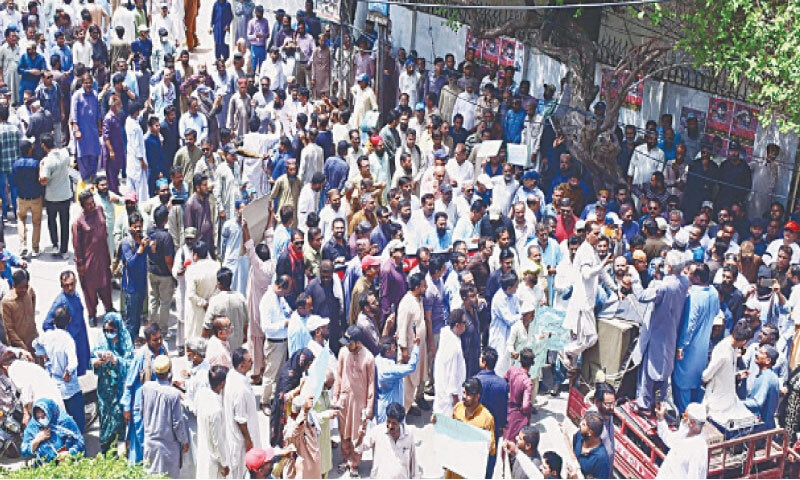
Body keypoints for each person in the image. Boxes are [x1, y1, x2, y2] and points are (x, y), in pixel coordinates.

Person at [631, 250, 689, 414]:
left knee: (649, 369)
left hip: (656, 332)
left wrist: (634, 276)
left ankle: (644, 404)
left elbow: (641, 296)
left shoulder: (663, 287)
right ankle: (660, 402)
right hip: (671, 331)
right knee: (664, 367)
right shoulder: (684, 282)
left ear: (669, 267)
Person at [673, 263, 719, 414]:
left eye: (690, 274)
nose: (687, 276)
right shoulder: (713, 292)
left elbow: (689, 325)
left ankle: (685, 415)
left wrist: (681, 346)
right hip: (703, 346)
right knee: (696, 382)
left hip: (690, 348)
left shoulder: (694, 296)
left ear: (697, 278)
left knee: (683, 383)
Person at [32, 307, 85, 433]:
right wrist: (68, 372)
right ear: (69, 320)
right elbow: (73, 362)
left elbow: (35, 344)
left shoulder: (47, 336)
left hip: (54, 384)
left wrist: (43, 353)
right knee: (78, 420)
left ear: (54, 321)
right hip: (69, 387)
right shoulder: (68, 340)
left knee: (58, 419)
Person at [121, 324, 168, 465]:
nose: (159, 342)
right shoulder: (141, 356)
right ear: (147, 341)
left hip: (158, 406)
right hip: (140, 407)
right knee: (141, 442)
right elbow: (129, 383)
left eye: (160, 338)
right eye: (155, 340)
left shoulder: (164, 349)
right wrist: (127, 409)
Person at [334, 325, 376, 477]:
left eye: (349, 342)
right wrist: (335, 397)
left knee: (358, 434)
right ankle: (346, 459)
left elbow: (371, 383)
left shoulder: (369, 358)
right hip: (344, 400)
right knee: (344, 432)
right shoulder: (343, 352)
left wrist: (369, 407)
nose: (346, 345)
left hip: (360, 403)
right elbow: (339, 375)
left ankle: (355, 463)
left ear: (358, 342)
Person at [91, 312, 134, 453]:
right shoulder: (101, 340)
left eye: (112, 331)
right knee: (105, 419)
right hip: (104, 389)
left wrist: (116, 360)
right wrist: (97, 362)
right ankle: (107, 452)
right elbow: (92, 359)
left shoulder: (125, 341)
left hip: (120, 389)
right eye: (106, 330)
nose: (108, 333)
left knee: (118, 420)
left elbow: (130, 365)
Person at [141, 355, 189, 478]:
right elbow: (177, 423)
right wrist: (184, 441)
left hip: (150, 443)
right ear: (169, 371)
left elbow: (142, 410)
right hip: (168, 447)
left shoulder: (146, 387)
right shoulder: (173, 394)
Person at [72, 189, 114, 327]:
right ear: (83, 206)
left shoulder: (100, 210)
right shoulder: (79, 222)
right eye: (88, 204)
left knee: (106, 283)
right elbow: (77, 245)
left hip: (102, 255)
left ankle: (109, 308)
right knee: (90, 287)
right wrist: (80, 264)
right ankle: (92, 314)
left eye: (92, 202)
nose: (92, 205)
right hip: (89, 260)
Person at [446, 377, 496, 479]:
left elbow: (492, 450)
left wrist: (488, 445)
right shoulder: (458, 408)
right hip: (454, 467)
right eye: (464, 393)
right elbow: (450, 430)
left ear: (477, 396)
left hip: (471, 470)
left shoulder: (487, 418)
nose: (464, 396)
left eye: (468, 394)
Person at [43, 271, 91, 377]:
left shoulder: (76, 295)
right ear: (61, 286)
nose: (70, 288)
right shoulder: (60, 302)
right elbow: (46, 324)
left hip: (81, 338)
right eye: (66, 285)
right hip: (71, 341)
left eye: (72, 284)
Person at [224, 347, 262, 479]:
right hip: (240, 442)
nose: (252, 363)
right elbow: (240, 419)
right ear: (241, 365)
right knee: (241, 473)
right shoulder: (239, 389)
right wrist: (248, 441)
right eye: (249, 361)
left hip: (241, 436)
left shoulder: (233, 376)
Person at [397, 272, 431, 414]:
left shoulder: (418, 300)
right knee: (407, 383)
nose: (426, 288)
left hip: (418, 347)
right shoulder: (406, 303)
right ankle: (402, 412)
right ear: (417, 287)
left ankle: (409, 407)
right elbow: (402, 328)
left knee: (416, 379)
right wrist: (404, 350)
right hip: (409, 350)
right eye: (423, 286)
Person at [358, 402, 420, 478]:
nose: (390, 426)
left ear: (400, 423)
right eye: (388, 421)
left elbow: (413, 462)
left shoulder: (409, 435)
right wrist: (360, 437)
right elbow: (359, 448)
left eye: (394, 423)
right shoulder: (377, 431)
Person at [269, 347, 315, 446]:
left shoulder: (296, 369)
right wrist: (299, 388)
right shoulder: (289, 374)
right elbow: (283, 397)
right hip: (284, 410)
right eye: (308, 364)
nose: (309, 367)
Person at [475, 347, 508, 478]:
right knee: (490, 458)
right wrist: (502, 426)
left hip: (476, 426)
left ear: (484, 362)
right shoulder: (502, 384)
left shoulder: (475, 381)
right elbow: (503, 407)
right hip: (493, 428)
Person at [20, 398, 84, 465]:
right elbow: (24, 451)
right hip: (44, 466)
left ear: (49, 412)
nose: (41, 420)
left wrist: (70, 453)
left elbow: (79, 441)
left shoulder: (64, 421)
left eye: (43, 416)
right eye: (38, 417)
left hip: (67, 462)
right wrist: (37, 440)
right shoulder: (33, 427)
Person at [194, 365, 230, 479]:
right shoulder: (216, 410)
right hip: (213, 461)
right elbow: (217, 441)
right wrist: (224, 464)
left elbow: (195, 411)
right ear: (222, 383)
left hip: (202, 451)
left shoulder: (201, 393)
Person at [39, 132, 71, 258]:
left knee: (52, 222)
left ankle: (55, 245)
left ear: (43, 146)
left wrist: (40, 167)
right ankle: (64, 250)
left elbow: (43, 180)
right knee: (65, 223)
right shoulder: (65, 153)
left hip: (52, 197)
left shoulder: (48, 162)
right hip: (65, 194)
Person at [655, 402, 708, 478]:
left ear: (692, 422)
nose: (682, 417)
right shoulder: (685, 432)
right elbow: (669, 439)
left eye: (685, 415)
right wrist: (661, 419)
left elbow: (694, 476)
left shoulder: (698, 448)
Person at [204, 267, 248, 352]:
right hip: (237, 345)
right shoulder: (241, 298)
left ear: (219, 283)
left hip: (220, 347)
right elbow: (246, 324)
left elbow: (207, 327)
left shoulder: (215, 300)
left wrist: (203, 344)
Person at [433, 310, 467, 416]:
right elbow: (452, 375)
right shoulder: (453, 346)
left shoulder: (448, 337)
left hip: (442, 391)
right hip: (449, 398)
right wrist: (456, 399)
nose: (466, 325)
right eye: (464, 323)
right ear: (457, 325)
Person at [185, 241, 219, 340]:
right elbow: (219, 288)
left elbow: (191, 295)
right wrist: (210, 302)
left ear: (195, 254)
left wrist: (204, 303)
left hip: (196, 311)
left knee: (195, 341)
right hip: (213, 309)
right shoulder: (217, 266)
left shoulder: (191, 270)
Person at [744, 344, 781, 431]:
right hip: (765, 425)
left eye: (761, 353)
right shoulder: (769, 375)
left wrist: (737, 403)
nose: (756, 354)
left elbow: (757, 403)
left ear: (768, 360)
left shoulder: (766, 378)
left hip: (761, 428)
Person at [504, 348, 535, 445]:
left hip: (509, 408)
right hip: (519, 414)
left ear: (520, 360)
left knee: (507, 438)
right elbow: (525, 406)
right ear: (532, 363)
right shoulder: (527, 382)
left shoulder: (512, 370)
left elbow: (504, 380)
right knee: (517, 441)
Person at [2, 268, 37, 354]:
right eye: (21, 287)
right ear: (14, 285)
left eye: (26, 286)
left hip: (33, 338)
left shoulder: (29, 290)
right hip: (19, 346)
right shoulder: (7, 302)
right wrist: (22, 347)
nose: (24, 290)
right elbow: (9, 329)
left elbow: (33, 300)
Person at [571, 411, 610, 479]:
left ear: (590, 433)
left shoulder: (601, 459)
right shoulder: (579, 435)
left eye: (583, 424)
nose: (580, 425)